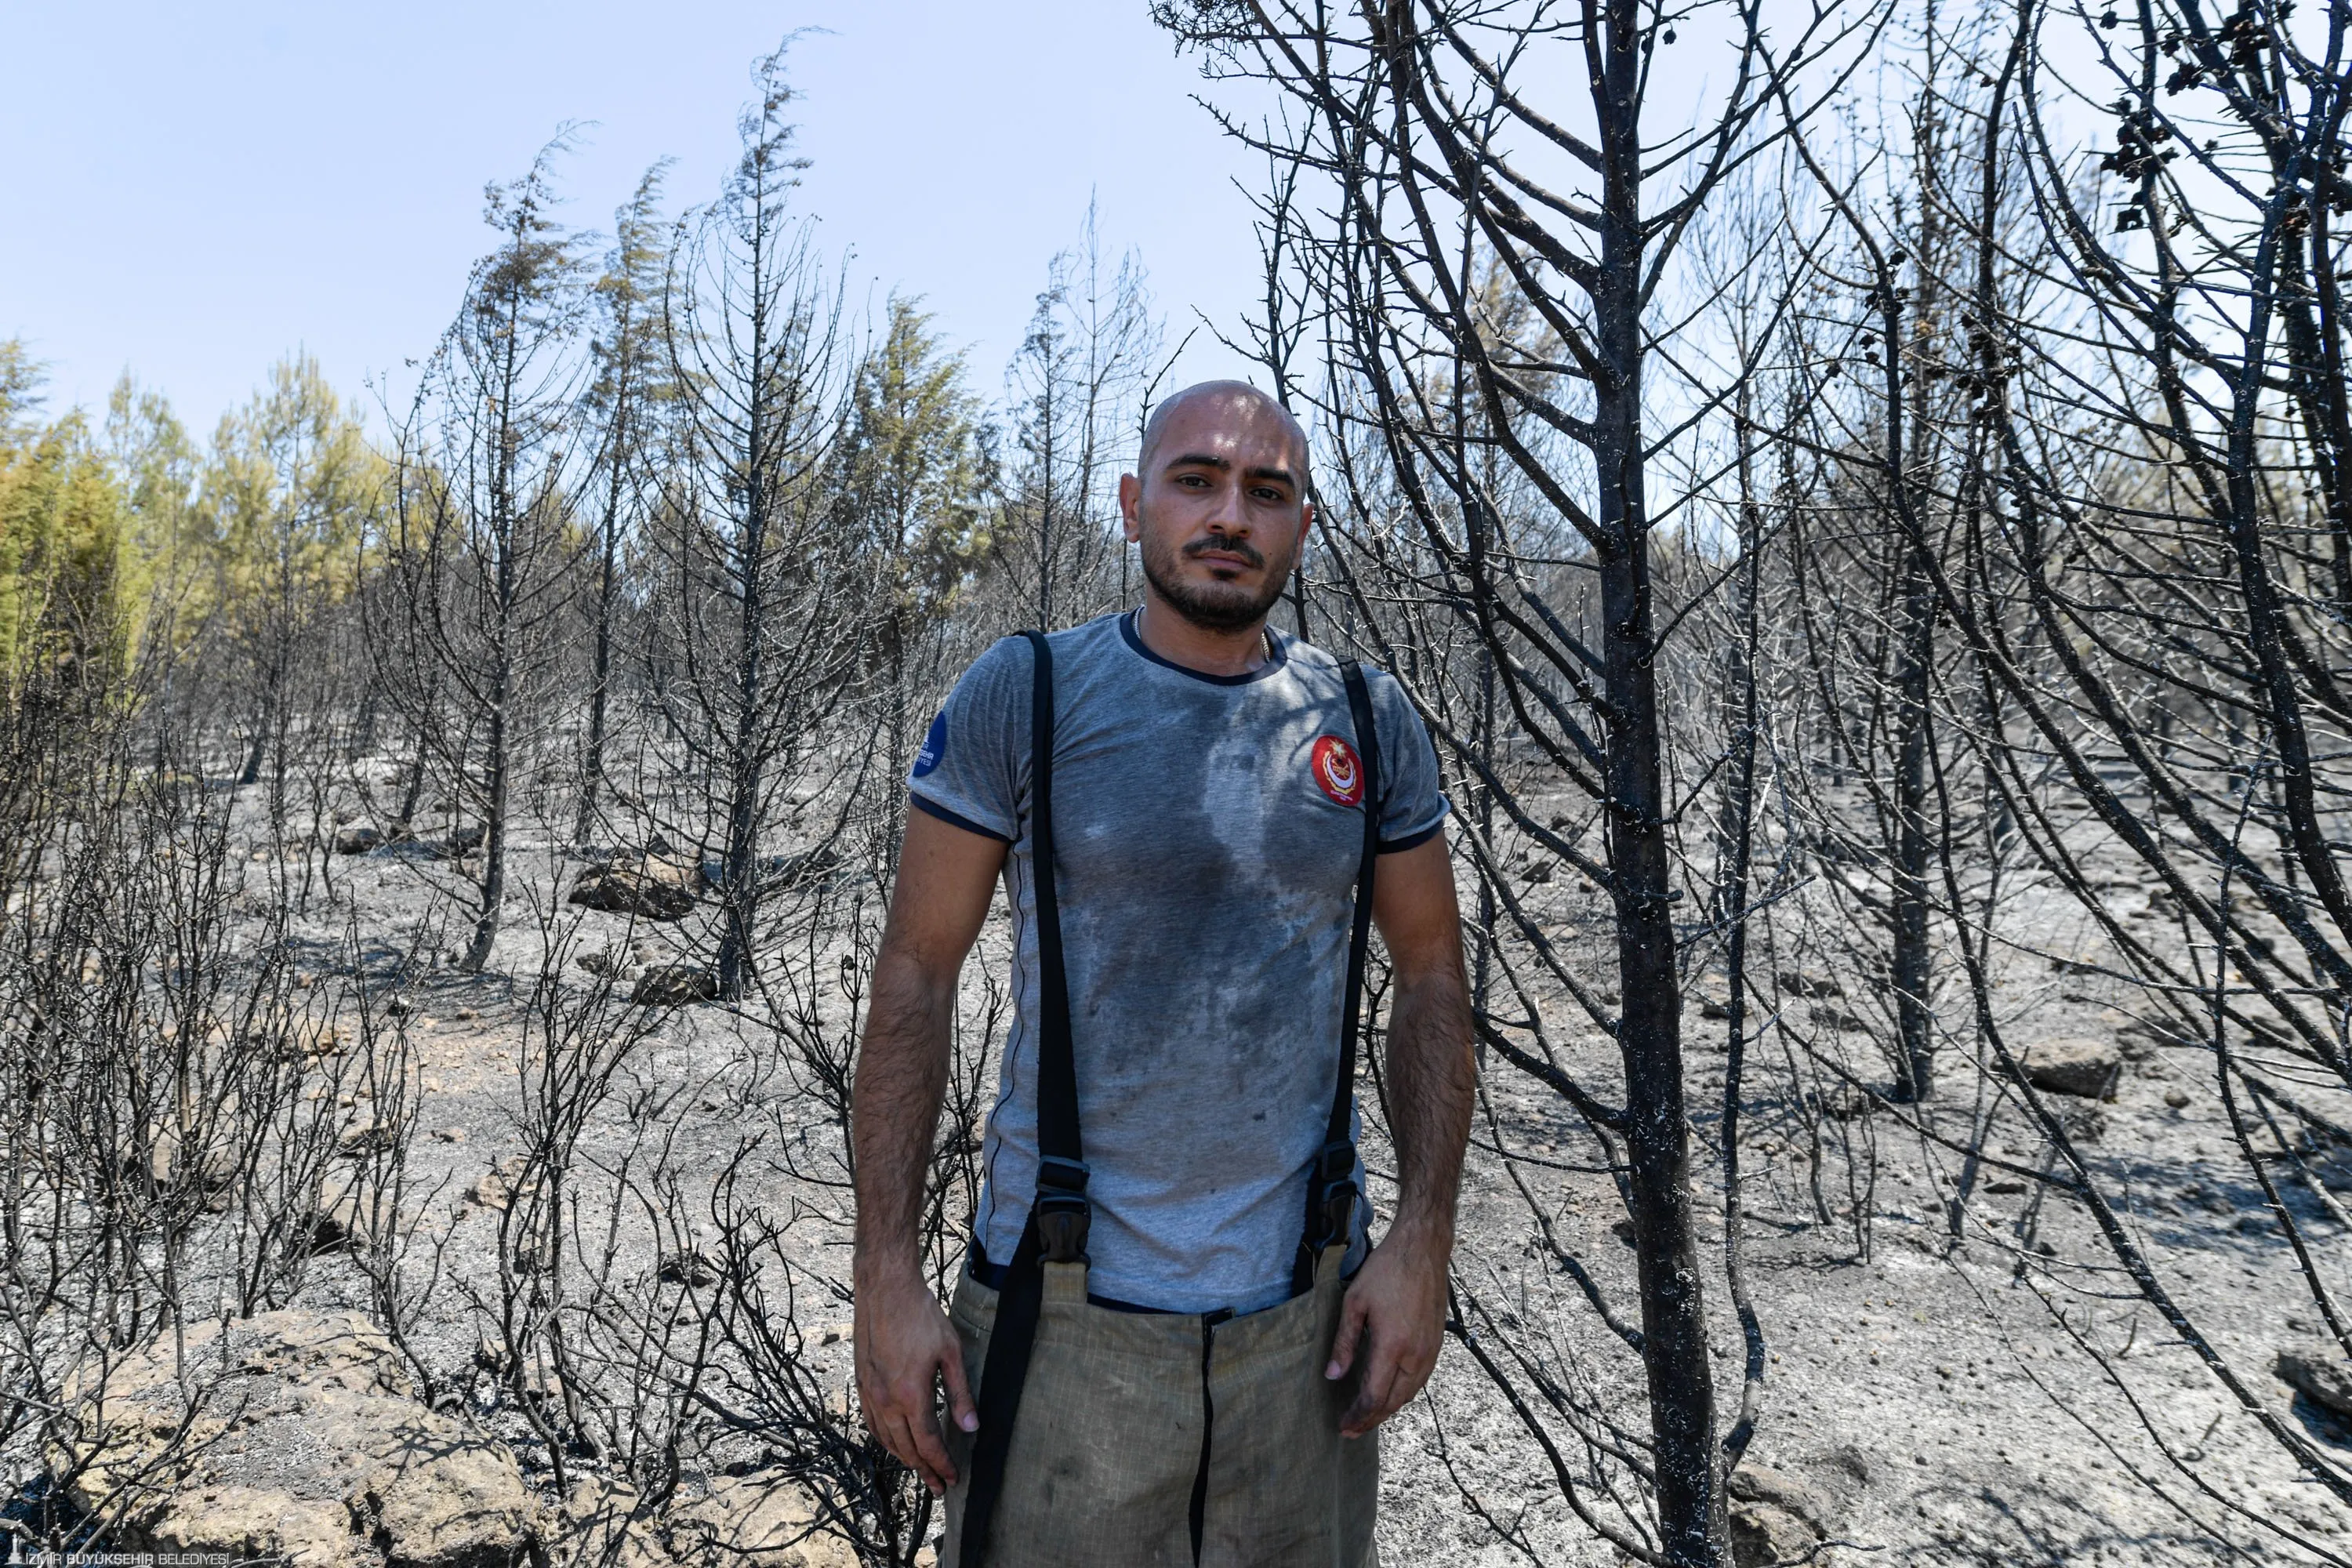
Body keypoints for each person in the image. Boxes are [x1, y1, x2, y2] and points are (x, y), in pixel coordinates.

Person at [851, 380, 1475, 1568]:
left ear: (1303, 524)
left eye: (1266, 491)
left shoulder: (1365, 716)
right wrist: (886, 1273)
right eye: (1196, 480)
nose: (1229, 514)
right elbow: (916, 975)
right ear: (1136, 505)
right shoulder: (1025, 695)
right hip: (1062, 1322)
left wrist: (1422, 1239)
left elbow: (1433, 974)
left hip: (1303, 1335)